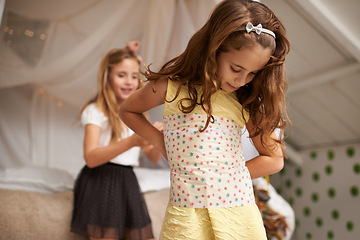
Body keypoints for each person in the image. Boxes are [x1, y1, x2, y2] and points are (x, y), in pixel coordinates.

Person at [119, 0, 290, 239]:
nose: (242, 80)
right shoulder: (172, 88)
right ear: (214, 49)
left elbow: (274, 160)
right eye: (236, 68)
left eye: (252, 73)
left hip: (237, 214)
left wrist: (227, 176)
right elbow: (128, 110)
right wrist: (160, 142)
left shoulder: (245, 100)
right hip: (186, 215)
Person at [70, 41, 162, 240]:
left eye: (134, 76)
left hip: (127, 180)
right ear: (107, 77)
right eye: (121, 75)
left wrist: (157, 139)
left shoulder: (139, 115)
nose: (129, 82)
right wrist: (132, 141)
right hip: (100, 179)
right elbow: (91, 158)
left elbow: (153, 157)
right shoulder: (96, 111)